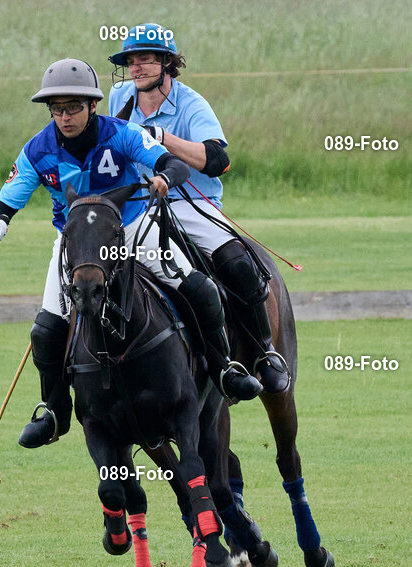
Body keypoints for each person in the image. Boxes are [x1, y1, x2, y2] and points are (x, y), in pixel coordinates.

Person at [0, 58, 263, 450]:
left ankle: (223, 369)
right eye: (57, 109)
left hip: (130, 228)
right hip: (76, 242)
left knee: (200, 289)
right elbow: (8, 199)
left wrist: (164, 177)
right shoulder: (38, 150)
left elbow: (171, 164)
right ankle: (54, 411)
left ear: (93, 105)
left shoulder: (122, 134)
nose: (65, 117)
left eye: (74, 108)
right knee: (46, 329)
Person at [108, 23, 290, 395]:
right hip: (136, 208)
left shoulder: (191, 104)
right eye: (131, 61)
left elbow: (217, 160)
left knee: (237, 261)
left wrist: (161, 139)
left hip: (189, 204)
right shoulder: (117, 98)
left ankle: (264, 353)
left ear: (166, 63)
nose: (136, 67)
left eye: (145, 59)